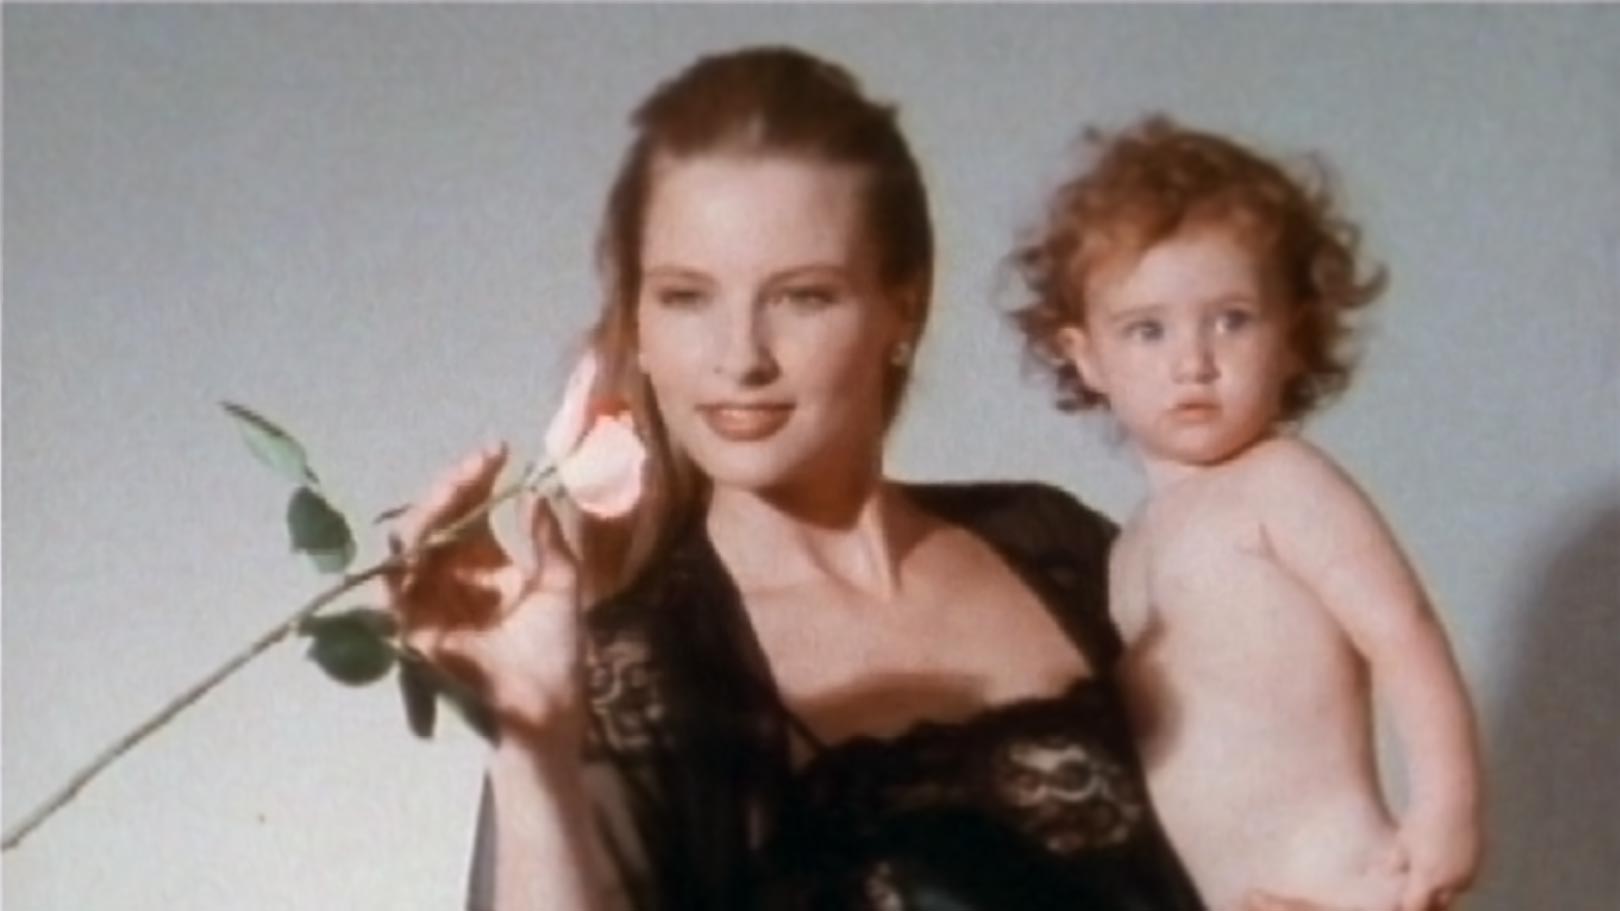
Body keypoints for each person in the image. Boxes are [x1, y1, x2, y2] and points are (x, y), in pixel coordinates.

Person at [385, 48, 1211, 911]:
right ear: (637, 319)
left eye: (802, 296)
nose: (739, 357)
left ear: (903, 305)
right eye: (686, 296)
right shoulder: (635, 675)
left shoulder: (1053, 542)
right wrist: (531, 743)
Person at [1007, 116, 1484, 911]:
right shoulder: (1127, 548)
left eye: (1231, 319)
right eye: (1147, 329)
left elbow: (1404, 631)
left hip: (1345, 886)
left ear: (1293, 334)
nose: (1193, 360)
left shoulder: (1281, 482)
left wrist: (1447, 809)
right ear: (1086, 356)